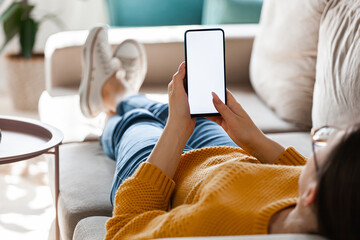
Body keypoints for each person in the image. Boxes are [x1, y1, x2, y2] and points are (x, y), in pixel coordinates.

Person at [79, 26, 360, 240]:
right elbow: (300, 172)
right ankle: (118, 93)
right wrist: (252, 137)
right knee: (186, 109)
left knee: (138, 123)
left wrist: (176, 131)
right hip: (223, 154)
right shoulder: (333, 202)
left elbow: (124, 230)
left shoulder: (217, 221)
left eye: (321, 148)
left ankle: (113, 92)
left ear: (310, 194)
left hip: (163, 179)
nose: (313, 153)